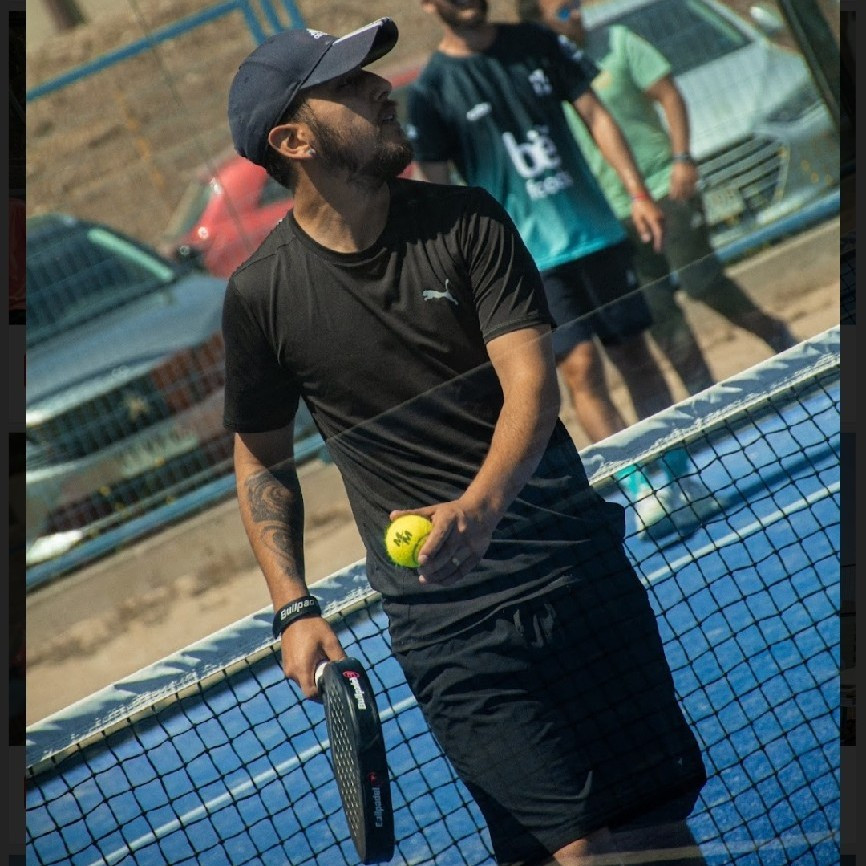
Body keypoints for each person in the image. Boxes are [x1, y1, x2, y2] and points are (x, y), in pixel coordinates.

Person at [223, 17, 708, 866]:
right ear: (293, 140)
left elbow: (533, 384)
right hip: (451, 634)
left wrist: (479, 510)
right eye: (349, 85)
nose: (383, 88)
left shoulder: (468, 222)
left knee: (658, 840)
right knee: (578, 853)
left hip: (578, 574)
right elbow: (262, 455)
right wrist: (294, 607)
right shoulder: (262, 296)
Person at [406, 0, 698, 532]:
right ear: (427, 4)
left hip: (597, 233)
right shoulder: (431, 91)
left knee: (636, 354)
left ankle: (679, 473)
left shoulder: (538, 44)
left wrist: (637, 192)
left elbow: (596, 114)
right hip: (524, 260)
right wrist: (455, 268)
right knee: (581, 367)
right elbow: (434, 186)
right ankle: (640, 484)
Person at [516, 0, 797, 396]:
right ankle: (704, 395)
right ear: (539, 23)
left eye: (575, 5)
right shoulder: (536, 76)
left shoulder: (617, 42)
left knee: (701, 281)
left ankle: (777, 336)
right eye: (563, 11)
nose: (576, 14)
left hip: (663, 186)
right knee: (657, 308)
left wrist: (682, 158)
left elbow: (669, 95)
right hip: (612, 214)